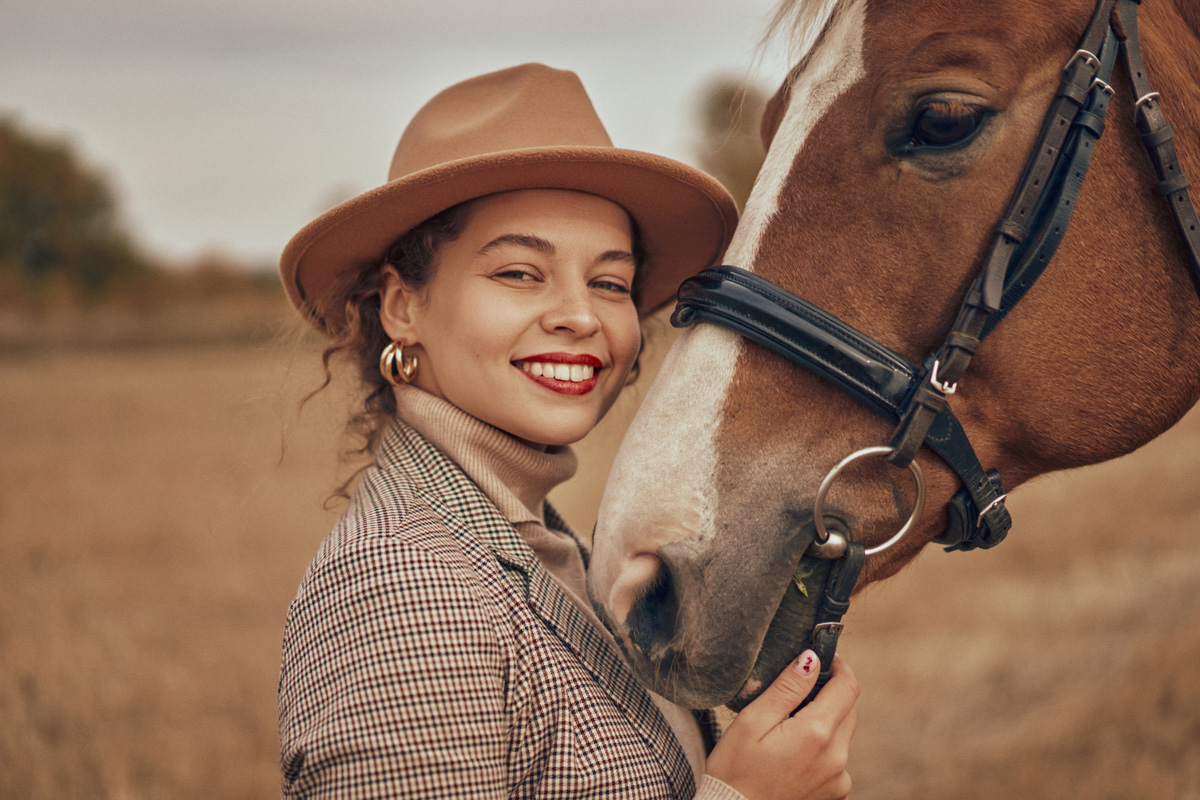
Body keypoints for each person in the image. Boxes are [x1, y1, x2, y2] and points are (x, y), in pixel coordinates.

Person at [277, 63, 859, 800]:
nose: (581, 316)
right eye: (520, 273)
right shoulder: (401, 587)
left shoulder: (551, 551)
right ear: (402, 306)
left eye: (610, 283)